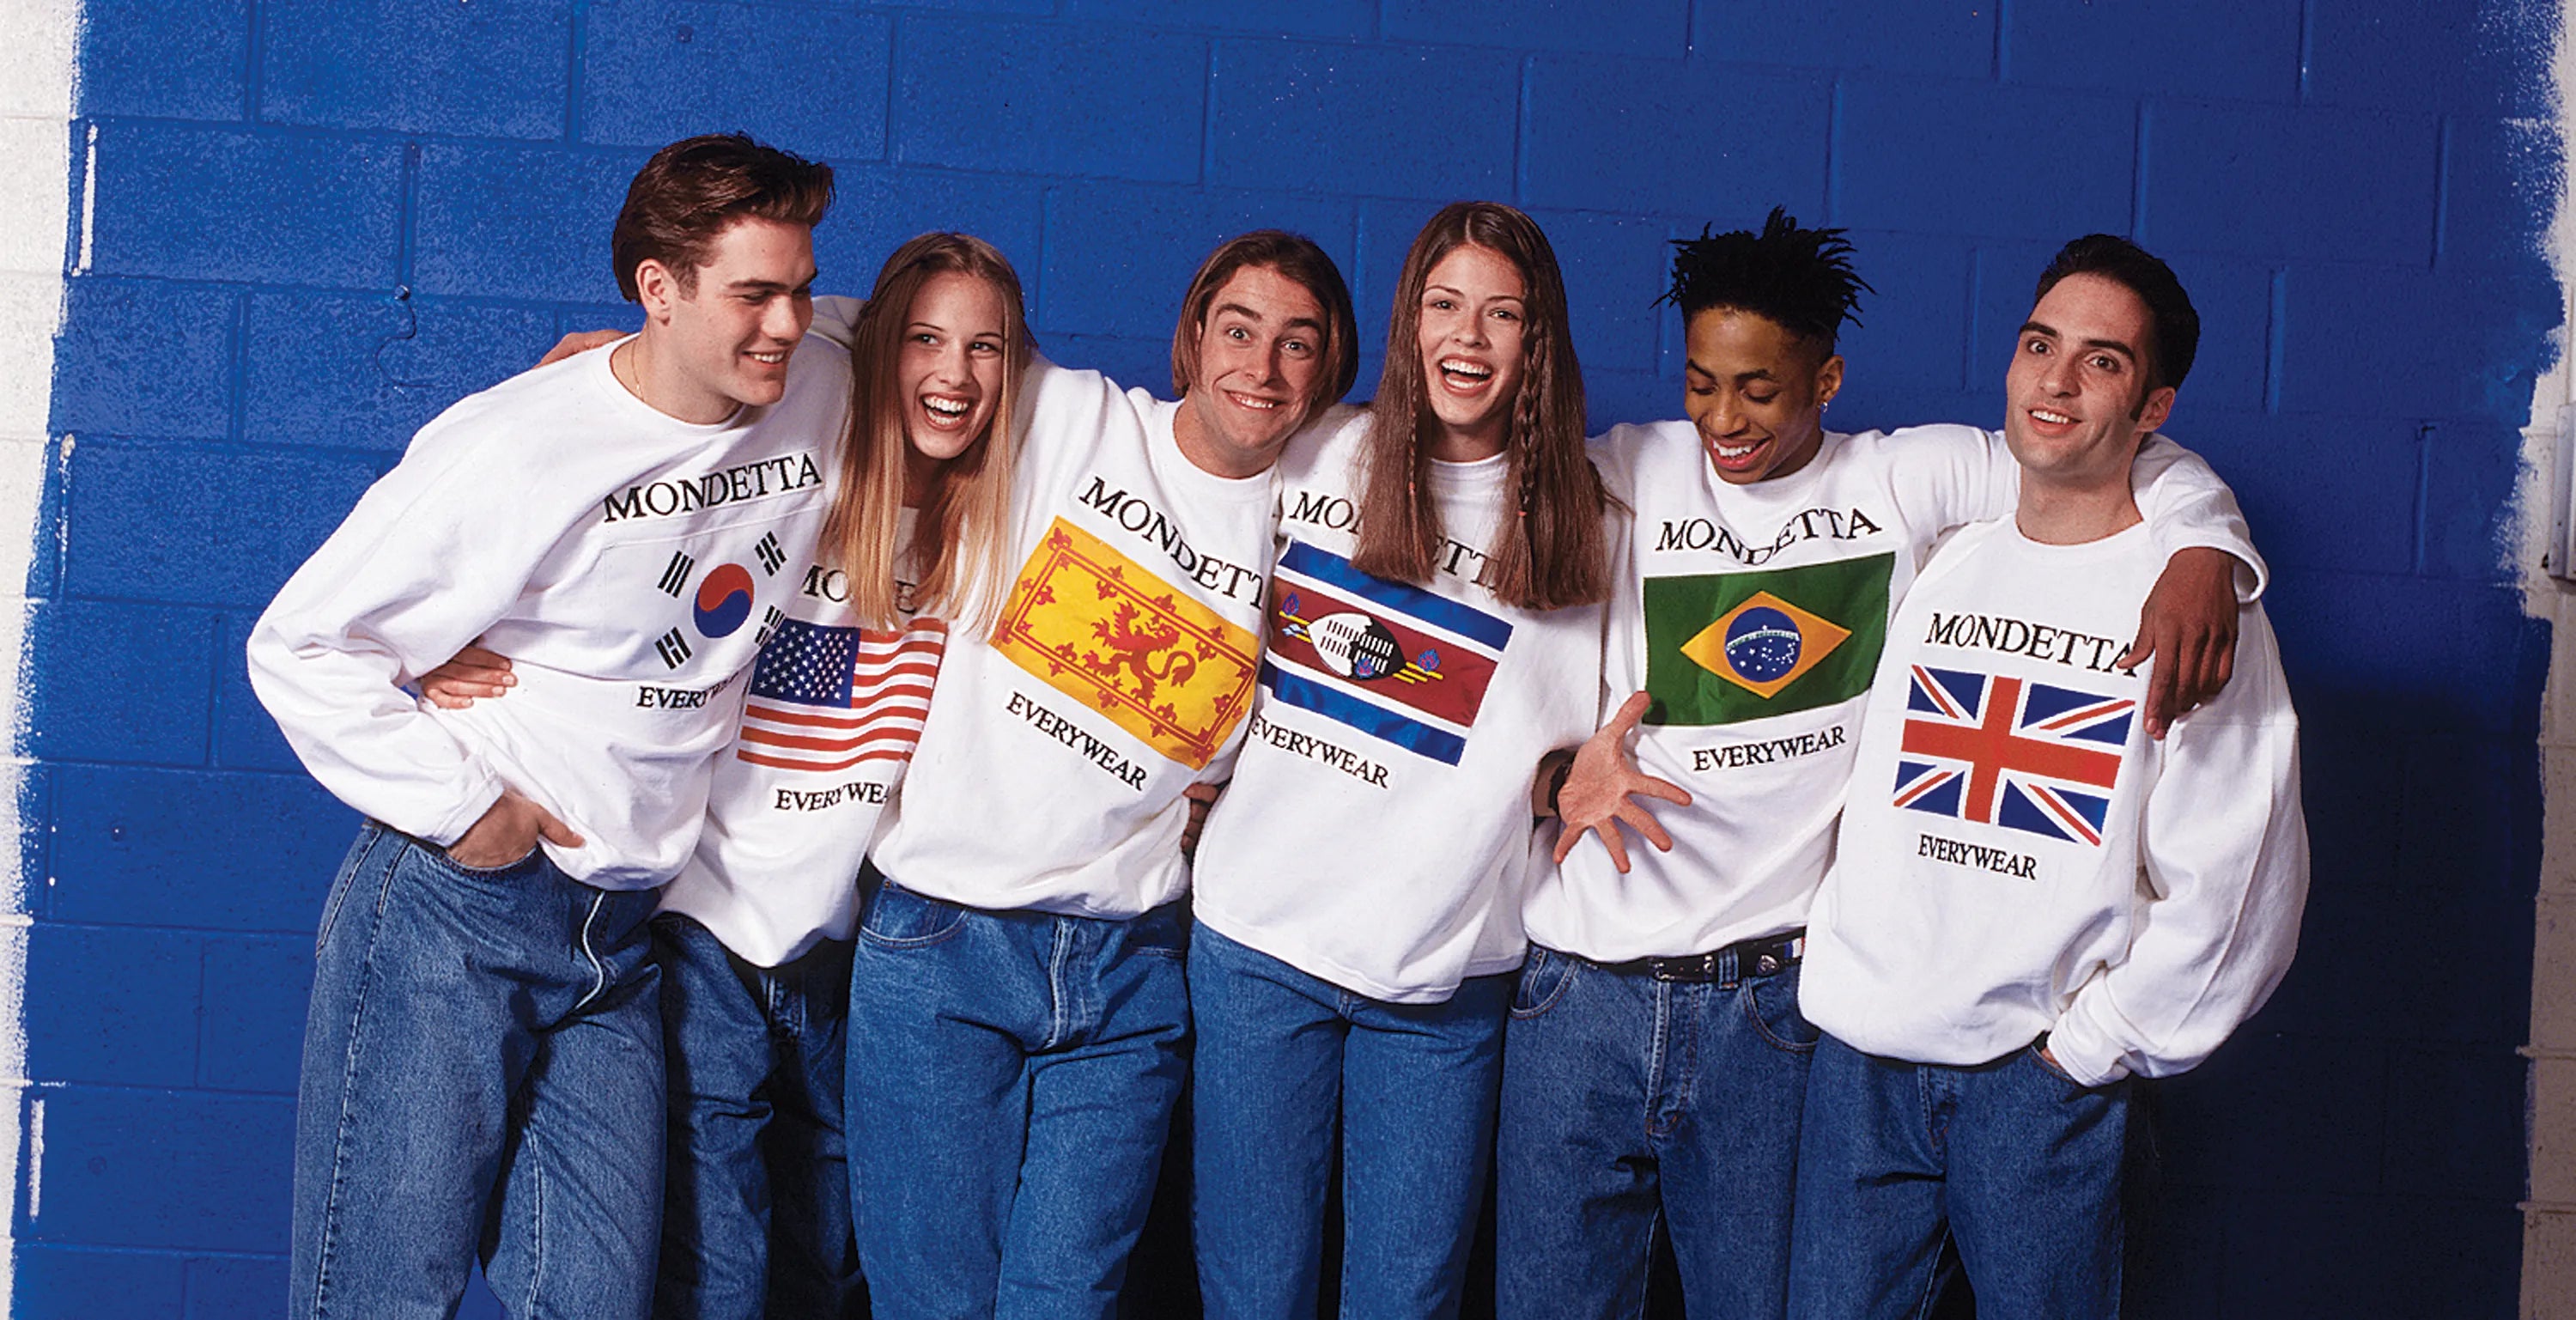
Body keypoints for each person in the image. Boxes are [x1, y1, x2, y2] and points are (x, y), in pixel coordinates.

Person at [1498, 210, 2266, 1320]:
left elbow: (2084, 444)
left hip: (1767, 1004)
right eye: (1702, 383)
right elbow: (1468, 493)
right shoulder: (1632, 469)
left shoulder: (1908, 478)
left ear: (1827, 379)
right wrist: (1553, 773)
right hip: (1581, 988)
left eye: (1759, 388)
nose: (1724, 417)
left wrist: (2206, 543)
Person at [247, 134, 841, 1319]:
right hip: (459, 913)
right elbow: (300, 643)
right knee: (382, 1296)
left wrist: (691, 339)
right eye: (753, 295)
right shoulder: (519, 442)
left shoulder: (817, 374)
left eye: (801, 286)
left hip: (619, 943)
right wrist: (473, 813)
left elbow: (924, 316)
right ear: (658, 290)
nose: (786, 321)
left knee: (590, 1302)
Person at [427, 232, 1032, 1317]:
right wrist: (432, 637)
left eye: (985, 349)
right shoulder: (790, 464)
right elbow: (593, 484)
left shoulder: (1000, 517)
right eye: (926, 341)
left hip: (844, 951)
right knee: (715, 1271)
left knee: (830, 1265)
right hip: (700, 930)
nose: (954, 372)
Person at [1785, 234, 2307, 1319]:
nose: (2057, 380)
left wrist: (2085, 1052)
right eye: (2039, 345)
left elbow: (2239, 882)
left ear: (2154, 407)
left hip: (2038, 1084)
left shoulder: (2196, 609)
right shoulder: (1945, 555)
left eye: (2102, 361)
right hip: (1862, 1061)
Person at [845, 230, 1361, 1317]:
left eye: (1296, 344)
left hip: (1128, 968)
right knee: (930, 1303)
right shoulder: (1075, 415)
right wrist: (635, 363)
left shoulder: (1323, 507)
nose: (1260, 369)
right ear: (1191, 335)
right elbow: (903, 331)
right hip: (946, 940)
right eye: (1237, 329)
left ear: (1329, 370)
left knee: (1063, 1303)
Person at [1185, 202, 1613, 1318]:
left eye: (1503, 314)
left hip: (1442, 979)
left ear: (1540, 340)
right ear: (1408, 321)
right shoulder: (1318, 448)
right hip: (1257, 947)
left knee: (1404, 1299)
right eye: (1444, 305)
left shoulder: (1597, 514)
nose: (1468, 339)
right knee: (1250, 1293)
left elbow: (1540, 756)